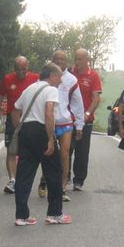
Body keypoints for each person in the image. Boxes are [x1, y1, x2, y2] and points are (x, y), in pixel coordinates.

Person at [12, 63, 72, 226]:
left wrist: (19, 127)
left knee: (24, 174)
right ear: (52, 76)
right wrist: (50, 139)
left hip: (26, 131)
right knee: (54, 171)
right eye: (59, 77)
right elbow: (48, 113)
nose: (60, 80)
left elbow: (15, 109)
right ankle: (55, 213)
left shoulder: (29, 89)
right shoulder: (51, 90)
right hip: (41, 130)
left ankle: (21, 216)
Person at [36, 50, 84, 202]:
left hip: (65, 122)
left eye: (62, 59)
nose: (59, 62)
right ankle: (44, 179)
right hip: (48, 121)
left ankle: (62, 187)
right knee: (48, 153)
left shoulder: (71, 80)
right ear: (52, 61)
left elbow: (78, 103)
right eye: (56, 59)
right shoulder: (44, 77)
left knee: (65, 154)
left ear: (66, 62)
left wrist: (80, 125)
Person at [0, 56, 39, 194]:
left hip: (30, 119)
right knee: (12, 150)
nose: (20, 72)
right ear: (14, 68)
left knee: (27, 152)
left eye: (23, 69)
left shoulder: (35, 78)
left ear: (28, 66)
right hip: (12, 119)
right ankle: (12, 180)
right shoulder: (7, 79)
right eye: (18, 69)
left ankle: (24, 179)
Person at [68, 48, 102, 191]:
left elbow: (96, 98)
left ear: (87, 60)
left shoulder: (93, 76)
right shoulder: (70, 73)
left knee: (82, 151)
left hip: (85, 120)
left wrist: (87, 113)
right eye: (76, 58)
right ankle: (64, 176)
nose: (77, 61)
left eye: (80, 59)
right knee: (66, 149)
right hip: (69, 119)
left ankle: (79, 180)